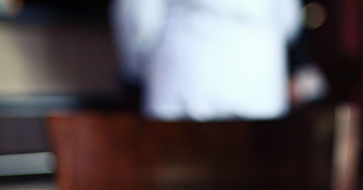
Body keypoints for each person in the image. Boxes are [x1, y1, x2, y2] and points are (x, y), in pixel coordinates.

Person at [110, 0, 304, 120]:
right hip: (260, 89)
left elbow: (139, 21)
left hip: (187, 81)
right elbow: (288, 20)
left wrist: (135, 70)